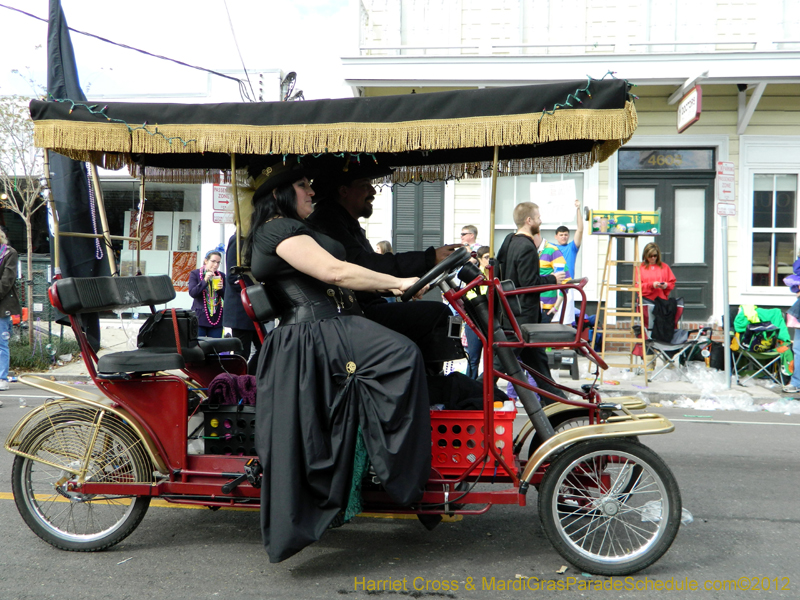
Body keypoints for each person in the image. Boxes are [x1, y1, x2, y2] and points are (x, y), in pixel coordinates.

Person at [244, 160, 431, 563]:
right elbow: (335, 272)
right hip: (315, 333)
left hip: (333, 324)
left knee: (414, 342)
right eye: (302, 186)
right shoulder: (277, 229)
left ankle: (380, 455)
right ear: (279, 194)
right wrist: (399, 283)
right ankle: (393, 471)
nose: (312, 192)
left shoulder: (297, 228)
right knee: (402, 355)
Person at [307, 163, 460, 352]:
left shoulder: (343, 222)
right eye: (365, 185)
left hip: (358, 308)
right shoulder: (328, 221)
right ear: (344, 191)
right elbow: (366, 266)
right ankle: (429, 377)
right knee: (438, 312)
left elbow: (369, 268)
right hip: (350, 314)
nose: (372, 191)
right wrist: (429, 258)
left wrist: (396, 286)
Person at [496, 202, 567, 401]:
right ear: (529, 221)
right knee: (501, 362)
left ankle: (556, 402)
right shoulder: (527, 246)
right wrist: (554, 279)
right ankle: (474, 390)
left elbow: (501, 269)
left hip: (511, 311)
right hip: (523, 316)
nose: (540, 220)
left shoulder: (509, 240)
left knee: (538, 361)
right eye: (538, 217)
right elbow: (528, 283)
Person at [0, 229, 21, 392]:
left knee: (1, 343)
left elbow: (7, 280)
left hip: (2, 304)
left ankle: (2, 378)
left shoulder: (9, 253)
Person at [464, 246, 490, 379]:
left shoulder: (494, 275)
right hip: (474, 319)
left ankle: (486, 386)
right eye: (486, 257)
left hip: (489, 320)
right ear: (479, 259)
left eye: (491, 257)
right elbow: (468, 297)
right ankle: (470, 385)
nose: (489, 260)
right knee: (473, 359)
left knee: (490, 360)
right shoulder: (474, 276)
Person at [188, 250, 226, 338]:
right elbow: (193, 293)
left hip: (216, 319)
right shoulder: (195, 274)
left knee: (215, 347)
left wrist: (221, 289)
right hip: (199, 318)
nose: (215, 265)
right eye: (213, 261)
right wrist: (205, 280)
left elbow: (227, 297)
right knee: (198, 346)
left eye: (218, 262)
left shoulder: (222, 276)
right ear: (206, 261)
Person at [552, 199, 584, 278]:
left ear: (568, 236)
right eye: (561, 235)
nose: (563, 237)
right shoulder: (551, 247)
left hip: (569, 283)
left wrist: (578, 209)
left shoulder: (572, 247)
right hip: (554, 283)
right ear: (556, 237)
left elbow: (580, 230)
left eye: (566, 235)